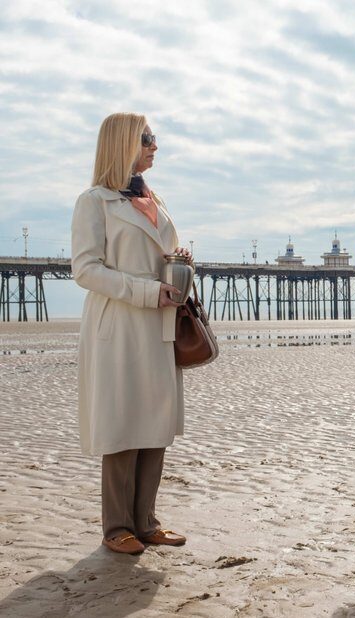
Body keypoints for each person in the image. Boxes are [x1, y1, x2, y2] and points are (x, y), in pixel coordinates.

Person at [71, 113, 191, 555]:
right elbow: (85, 269)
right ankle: (117, 525)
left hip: (158, 323)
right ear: (123, 143)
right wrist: (146, 290)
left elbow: (154, 252)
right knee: (122, 423)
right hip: (118, 325)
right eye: (146, 138)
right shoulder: (95, 201)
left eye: (154, 137)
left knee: (154, 422)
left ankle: (147, 521)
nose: (154, 145)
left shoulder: (153, 199)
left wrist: (177, 261)